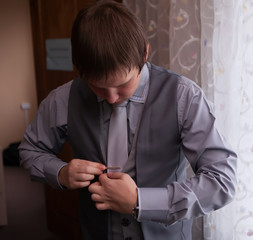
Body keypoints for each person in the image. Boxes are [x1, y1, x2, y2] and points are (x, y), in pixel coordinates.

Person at [18, 1, 237, 239]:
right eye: (98, 87)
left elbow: (222, 181)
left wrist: (140, 201)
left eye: (123, 84)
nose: (112, 98)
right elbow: (30, 150)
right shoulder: (63, 99)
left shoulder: (184, 96)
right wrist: (60, 173)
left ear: (144, 53)